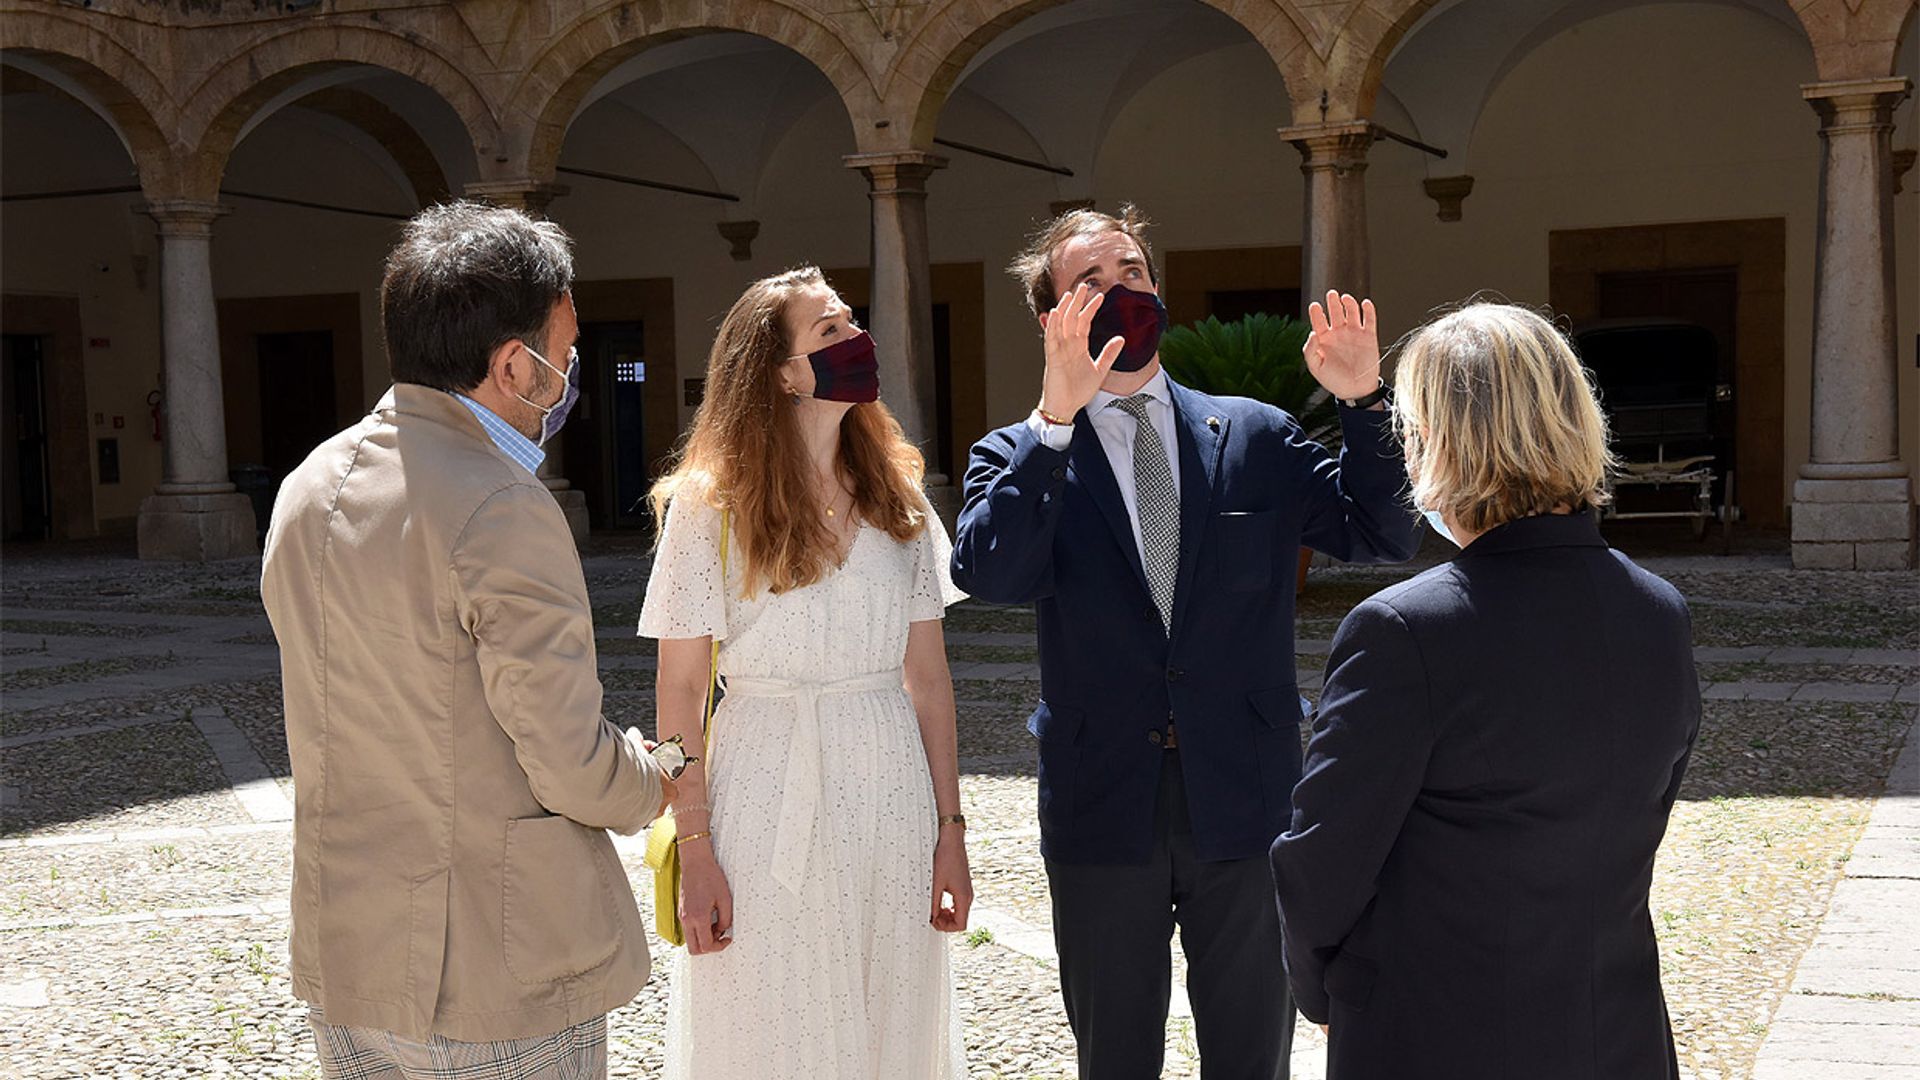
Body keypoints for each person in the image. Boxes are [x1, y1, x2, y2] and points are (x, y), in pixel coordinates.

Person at [949, 206, 1419, 1079]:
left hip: (1246, 795)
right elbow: (993, 576)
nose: (1122, 293)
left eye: (1133, 272)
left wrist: (1362, 402)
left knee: (1252, 1056)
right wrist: (1055, 423)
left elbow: (1386, 533)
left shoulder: (1256, 434)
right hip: (1102, 804)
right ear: (1052, 318)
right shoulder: (1014, 453)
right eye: (1090, 284)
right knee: (1116, 1057)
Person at [260, 201, 672, 1078]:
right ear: (512, 366)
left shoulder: (308, 484)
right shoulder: (502, 505)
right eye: (562, 360)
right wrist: (649, 775)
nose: (567, 380)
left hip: (352, 950)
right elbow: (565, 759)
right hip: (492, 962)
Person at [1270, 301, 1702, 1080]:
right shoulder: (1659, 611)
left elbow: (1321, 868)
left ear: (1443, 442)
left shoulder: (1405, 631)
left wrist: (1326, 996)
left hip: (1437, 1032)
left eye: (1409, 430)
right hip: (1614, 1030)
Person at [638, 266, 971, 1079]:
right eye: (828, 330)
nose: (856, 340)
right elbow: (680, 691)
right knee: (768, 1024)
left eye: (851, 322)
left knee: (889, 1020)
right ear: (781, 371)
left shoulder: (901, 497)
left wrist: (951, 833)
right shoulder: (708, 503)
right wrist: (697, 842)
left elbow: (928, 679)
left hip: (891, 795)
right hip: (761, 791)